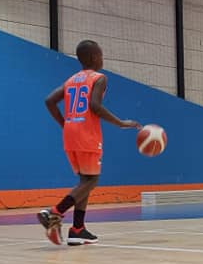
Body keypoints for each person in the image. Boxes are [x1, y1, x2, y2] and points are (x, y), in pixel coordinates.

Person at [37, 40, 140, 246]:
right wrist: (121, 123)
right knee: (92, 181)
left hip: (70, 133)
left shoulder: (72, 80)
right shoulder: (99, 78)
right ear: (94, 57)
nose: (102, 59)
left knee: (85, 181)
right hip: (87, 134)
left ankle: (77, 229)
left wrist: (65, 123)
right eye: (101, 55)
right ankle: (54, 212)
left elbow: (49, 100)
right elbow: (94, 106)